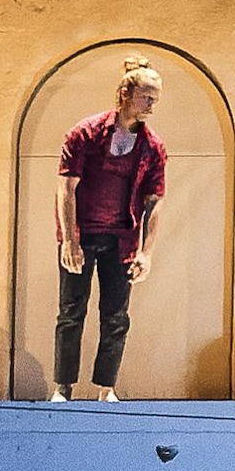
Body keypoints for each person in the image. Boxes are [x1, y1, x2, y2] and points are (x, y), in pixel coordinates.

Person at [52, 63, 170, 402]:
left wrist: (146, 252)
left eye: (155, 100)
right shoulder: (85, 134)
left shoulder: (152, 147)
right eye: (146, 97)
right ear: (125, 95)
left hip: (122, 240)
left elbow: (155, 200)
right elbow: (66, 189)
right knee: (71, 311)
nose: (151, 106)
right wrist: (70, 240)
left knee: (116, 316)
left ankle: (106, 387)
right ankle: (63, 387)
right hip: (82, 234)